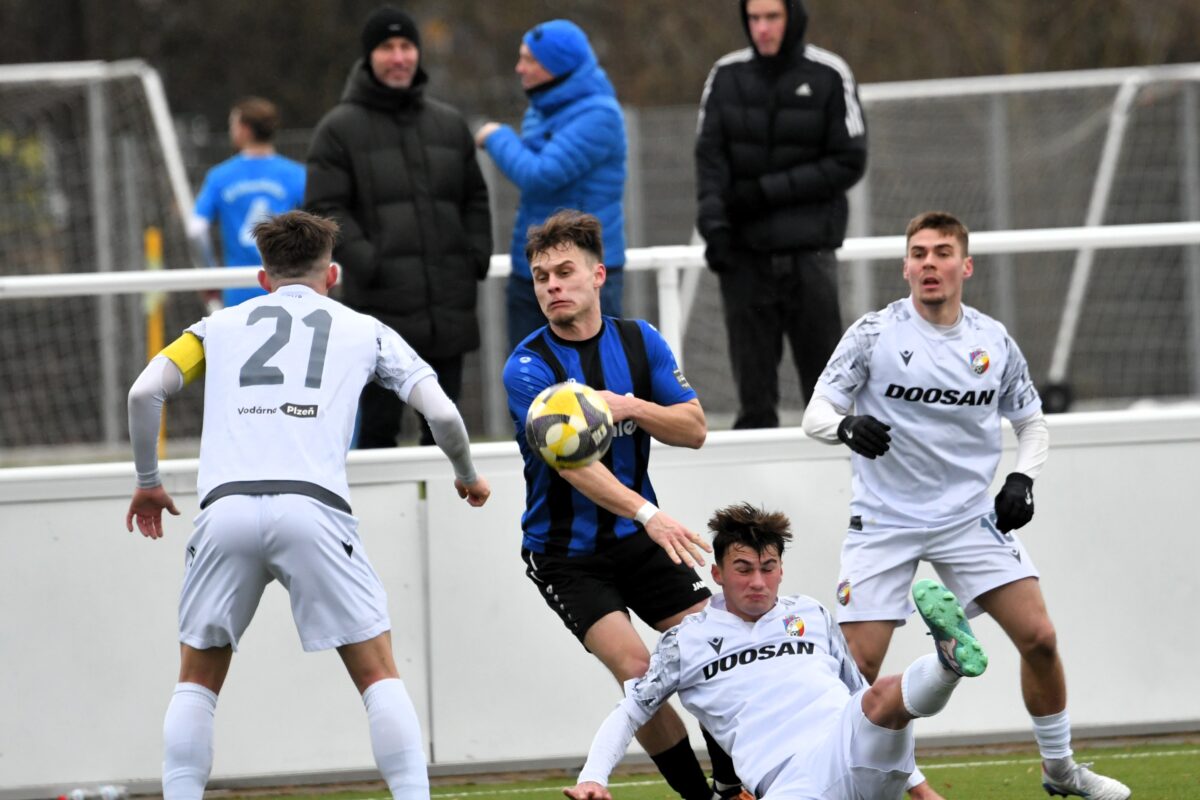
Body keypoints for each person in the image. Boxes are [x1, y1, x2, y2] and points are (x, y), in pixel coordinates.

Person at [124, 210, 491, 800]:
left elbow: (145, 391)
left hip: (225, 513)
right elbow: (443, 413)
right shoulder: (363, 329)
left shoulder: (217, 327)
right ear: (333, 273)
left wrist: (148, 479)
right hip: (313, 509)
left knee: (196, 683)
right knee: (377, 674)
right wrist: (467, 475)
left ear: (264, 278)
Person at [801, 211, 1131, 800]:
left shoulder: (992, 340)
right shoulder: (874, 334)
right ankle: (817, 782)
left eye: (943, 253)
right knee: (857, 669)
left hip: (966, 518)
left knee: (1040, 637)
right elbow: (815, 414)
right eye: (920, 253)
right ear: (905, 267)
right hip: (884, 520)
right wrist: (846, 427)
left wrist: (1022, 479)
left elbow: (1031, 423)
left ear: (965, 266)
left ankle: (1060, 772)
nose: (930, 263)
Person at [502, 210, 743, 800]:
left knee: (710, 653)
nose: (552, 286)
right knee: (642, 674)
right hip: (566, 555)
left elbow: (694, 428)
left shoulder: (640, 340)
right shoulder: (528, 368)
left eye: (564, 272)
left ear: (598, 275)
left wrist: (630, 407)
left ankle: (736, 785)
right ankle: (699, 797)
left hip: (639, 541)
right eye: (540, 277)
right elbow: (574, 467)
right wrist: (648, 514)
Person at [563, 502, 988, 800]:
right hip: (787, 776)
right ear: (717, 574)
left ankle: (947, 664)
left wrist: (920, 787)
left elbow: (857, 691)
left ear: (781, 570)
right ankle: (943, 664)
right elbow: (631, 710)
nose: (758, 583)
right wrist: (593, 777)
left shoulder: (811, 614)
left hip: (850, 742)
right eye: (743, 570)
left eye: (768, 569)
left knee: (880, 695)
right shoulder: (686, 640)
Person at [306, 4, 492, 447]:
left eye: (406, 46)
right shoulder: (338, 130)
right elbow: (324, 209)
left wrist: (474, 258)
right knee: (377, 434)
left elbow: (475, 197)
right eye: (387, 47)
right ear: (369, 56)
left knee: (445, 431)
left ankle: (448, 517)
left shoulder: (448, 124)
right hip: (379, 314)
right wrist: (372, 263)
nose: (399, 57)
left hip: (447, 307)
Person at [695, 0, 866, 429]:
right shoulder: (726, 76)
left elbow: (850, 160)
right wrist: (713, 227)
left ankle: (837, 488)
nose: (763, 28)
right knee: (753, 404)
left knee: (827, 396)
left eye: (772, 17)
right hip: (744, 260)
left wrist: (764, 192)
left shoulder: (829, 74)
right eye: (754, 18)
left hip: (810, 257)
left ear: (792, 18)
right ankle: (755, 495)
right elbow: (709, 161)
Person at [474, 19, 627, 351]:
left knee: (593, 386)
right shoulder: (541, 109)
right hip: (531, 268)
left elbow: (539, 174)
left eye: (529, 59)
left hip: (583, 272)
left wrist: (496, 137)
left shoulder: (600, 115)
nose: (519, 68)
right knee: (530, 381)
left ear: (556, 65)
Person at [190, 96, 306, 309]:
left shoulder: (220, 176)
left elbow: (196, 229)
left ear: (245, 129)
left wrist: (209, 274)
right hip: (287, 286)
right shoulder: (296, 175)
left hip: (237, 287)